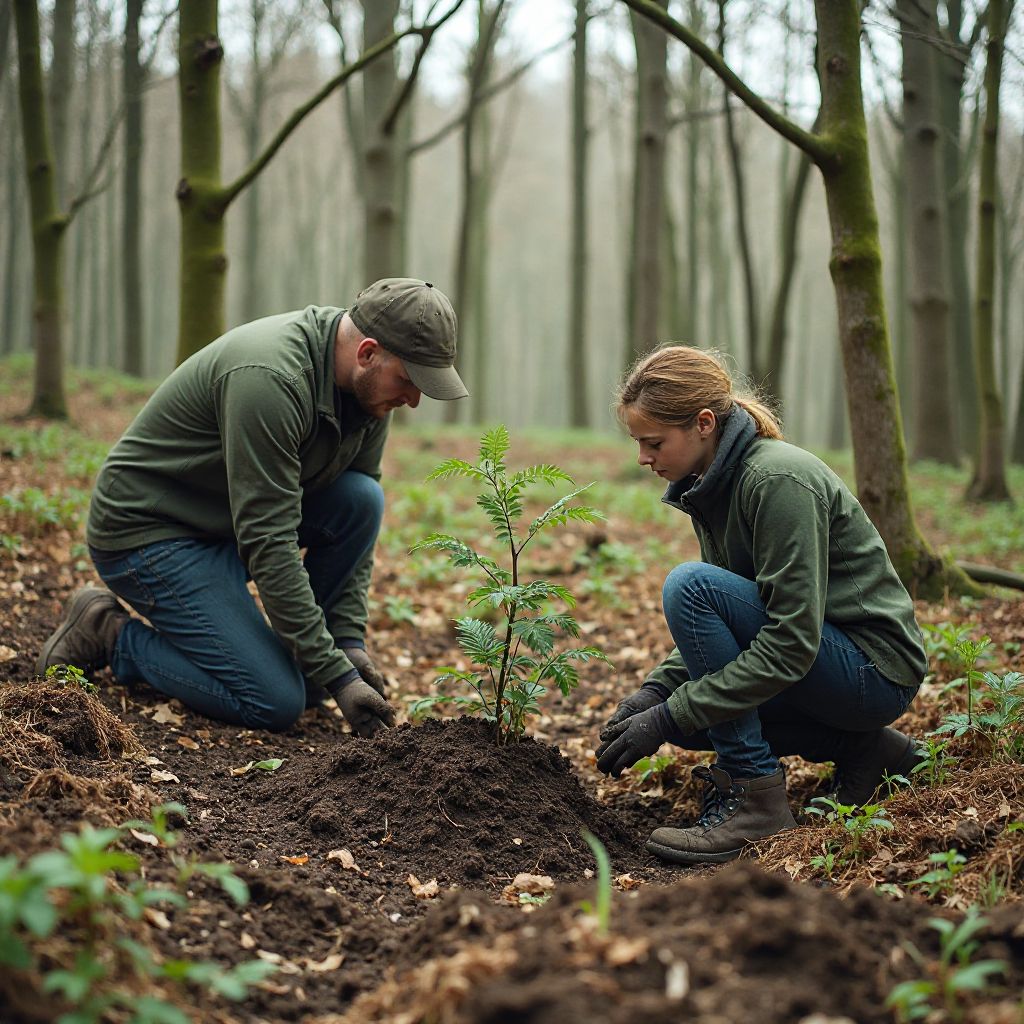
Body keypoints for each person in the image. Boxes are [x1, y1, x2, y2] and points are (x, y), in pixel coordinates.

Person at [38, 278, 468, 738]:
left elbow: (353, 522)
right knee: (275, 701)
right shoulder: (271, 380)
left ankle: (310, 653)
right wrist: (338, 675)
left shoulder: (369, 397)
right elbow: (269, 540)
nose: (414, 399)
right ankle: (108, 634)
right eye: (408, 379)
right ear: (367, 353)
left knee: (361, 498)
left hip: (225, 523)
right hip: (150, 531)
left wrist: (346, 644)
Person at [595, 345, 926, 865]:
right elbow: (736, 626)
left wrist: (667, 715)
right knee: (698, 718)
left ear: (704, 423)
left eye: (653, 442)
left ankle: (754, 797)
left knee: (690, 587)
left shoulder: (775, 481)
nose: (643, 458)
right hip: (828, 661)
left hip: (872, 668)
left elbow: (788, 643)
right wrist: (654, 694)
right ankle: (870, 753)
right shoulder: (713, 485)